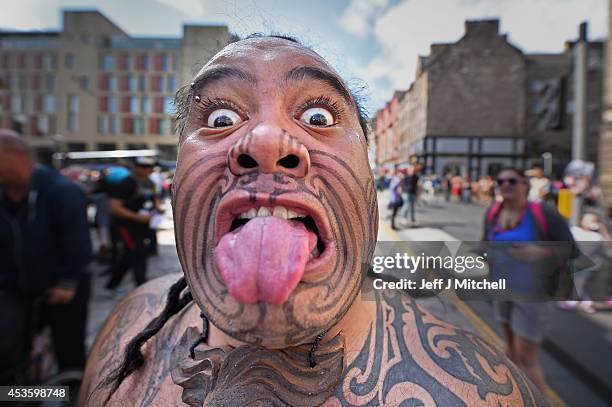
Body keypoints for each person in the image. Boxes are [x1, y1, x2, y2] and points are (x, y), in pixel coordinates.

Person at [80, 35, 549, 406]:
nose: (266, 141)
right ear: (177, 180)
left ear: (370, 175)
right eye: (221, 117)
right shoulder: (127, 332)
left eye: (319, 115)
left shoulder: (488, 393)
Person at [0, 130, 92, 384]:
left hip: (62, 290)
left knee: (68, 351)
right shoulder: (5, 193)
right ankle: (18, 394)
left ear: (18, 157)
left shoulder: (61, 191)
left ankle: (66, 395)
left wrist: (67, 283)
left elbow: (78, 244)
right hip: (16, 286)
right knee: (11, 348)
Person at [482, 167, 576, 392]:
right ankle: (515, 396)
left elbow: (572, 250)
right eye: (501, 181)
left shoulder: (543, 213)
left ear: (525, 184)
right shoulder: (493, 212)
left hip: (534, 293)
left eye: (512, 181)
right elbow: (485, 244)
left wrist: (541, 253)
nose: (506, 185)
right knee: (511, 352)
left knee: (526, 358)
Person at [105, 157, 161, 291]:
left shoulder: (149, 182)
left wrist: (157, 209)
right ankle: (142, 285)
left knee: (130, 255)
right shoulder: (126, 183)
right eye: (146, 167)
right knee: (138, 253)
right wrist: (137, 217)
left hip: (143, 225)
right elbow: (114, 207)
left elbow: (154, 198)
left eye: (151, 167)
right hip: (127, 226)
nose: (150, 170)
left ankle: (112, 284)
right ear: (137, 168)